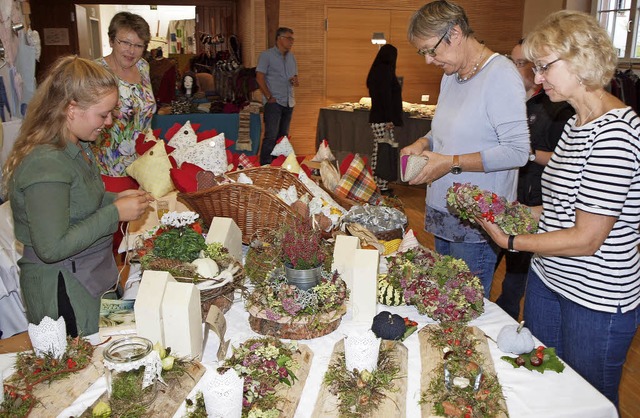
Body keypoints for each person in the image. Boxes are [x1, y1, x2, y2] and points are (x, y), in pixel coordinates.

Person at [478, 11, 640, 407]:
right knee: (549, 390)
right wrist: (508, 212)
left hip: (595, 299)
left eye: (545, 67)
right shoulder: (575, 124)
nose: (537, 78)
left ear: (581, 59)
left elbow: (587, 239)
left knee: (588, 402)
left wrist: (512, 240)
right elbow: (559, 209)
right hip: (550, 281)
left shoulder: (615, 134)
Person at [1, 56, 152, 337]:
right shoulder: (45, 163)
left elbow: (78, 202)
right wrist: (115, 212)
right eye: (103, 114)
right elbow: (52, 247)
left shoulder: (77, 145)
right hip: (66, 291)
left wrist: (115, 198)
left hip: (94, 275)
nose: (109, 122)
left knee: (116, 347)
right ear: (71, 109)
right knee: (89, 370)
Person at [401, 0, 529, 296]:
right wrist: (422, 143)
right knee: (443, 299)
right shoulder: (452, 75)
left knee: (463, 309)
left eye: (431, 50)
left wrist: (449, 162)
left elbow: (517, 151)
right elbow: (444, 130)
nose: (428, 61)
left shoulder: (500, 74)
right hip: (442, 210)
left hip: (476, 220)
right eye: (423, 53)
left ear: (455, 33)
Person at [495, 40, 574, 320]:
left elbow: (561, 162)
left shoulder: (557, 110)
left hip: (535, 203)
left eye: (519, 62)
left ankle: (505, 320)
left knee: (514, 281)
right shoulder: (508, 101)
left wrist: (525, 153)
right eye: (511, 60)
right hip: (508, 201)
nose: (513, 67)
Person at [91, 11, 156, 177]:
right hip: (108, 166)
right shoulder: (96, 72)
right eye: (125, 43)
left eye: (138, 45)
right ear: (112, 40)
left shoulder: (143, 66)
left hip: (143, 163)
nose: (131, 51)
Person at [256, 27, 299, 165]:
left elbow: (295, 77)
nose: (291, 41)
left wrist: (295, 81)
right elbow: (259, 77)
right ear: (279, 39)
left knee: (283, 137)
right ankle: (265, 166)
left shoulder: (292, 57)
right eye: (289, 38)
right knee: (271, 136)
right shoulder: (266, 55)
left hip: (289, 102)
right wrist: (269, 97)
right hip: (274, 102)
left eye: (292, 39)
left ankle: (278, 164)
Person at [366, 44, 403, 193]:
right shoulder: (386, 72)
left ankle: (378, 183)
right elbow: (386, 99)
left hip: (377, 117)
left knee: (379, 151)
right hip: (383, 120)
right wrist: (389, 120)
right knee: (383, 152)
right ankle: (381, 186)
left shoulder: (376, 71)